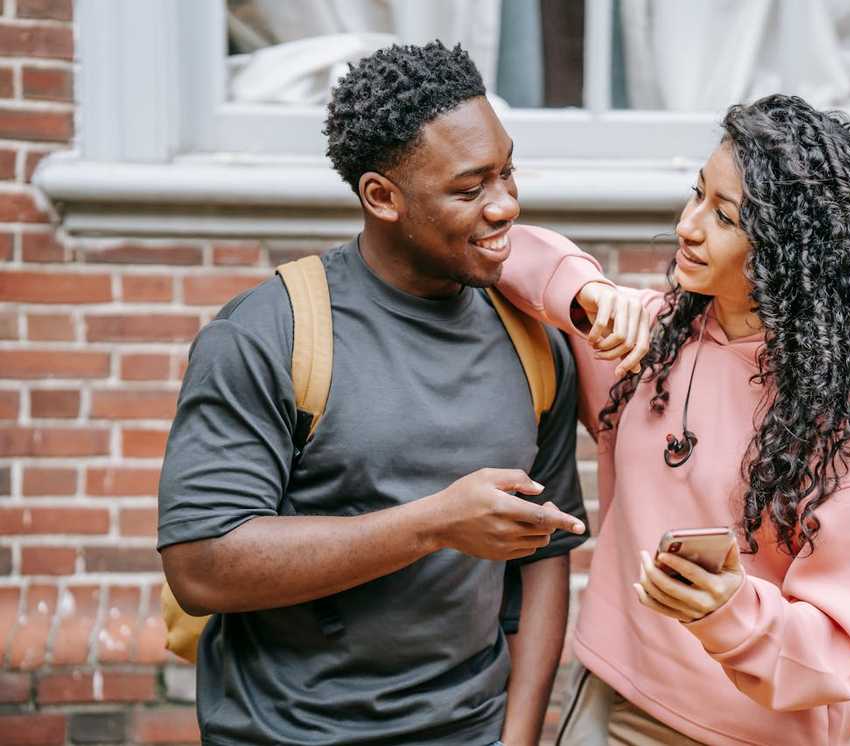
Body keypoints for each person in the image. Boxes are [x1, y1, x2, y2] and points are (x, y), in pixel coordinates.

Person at [157, 41, 587, 746]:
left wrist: (517, 736)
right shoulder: (271, 332)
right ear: (382, 197)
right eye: (469, 189)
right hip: (286, 733)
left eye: (507, 172)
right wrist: (432, 524)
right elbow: (200, 567)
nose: (506, 205)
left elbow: (544, 555)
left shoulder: (532, 341)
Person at [496, 94, 850, 745]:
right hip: (613, 697)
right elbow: (506, 250)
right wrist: (589, 292)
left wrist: (730, 612)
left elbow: (835, 651)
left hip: (750, 731)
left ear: (788, 249)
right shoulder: (652, 340)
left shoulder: (841, 416)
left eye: (724, 216)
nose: (688, 226)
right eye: (697, 194)